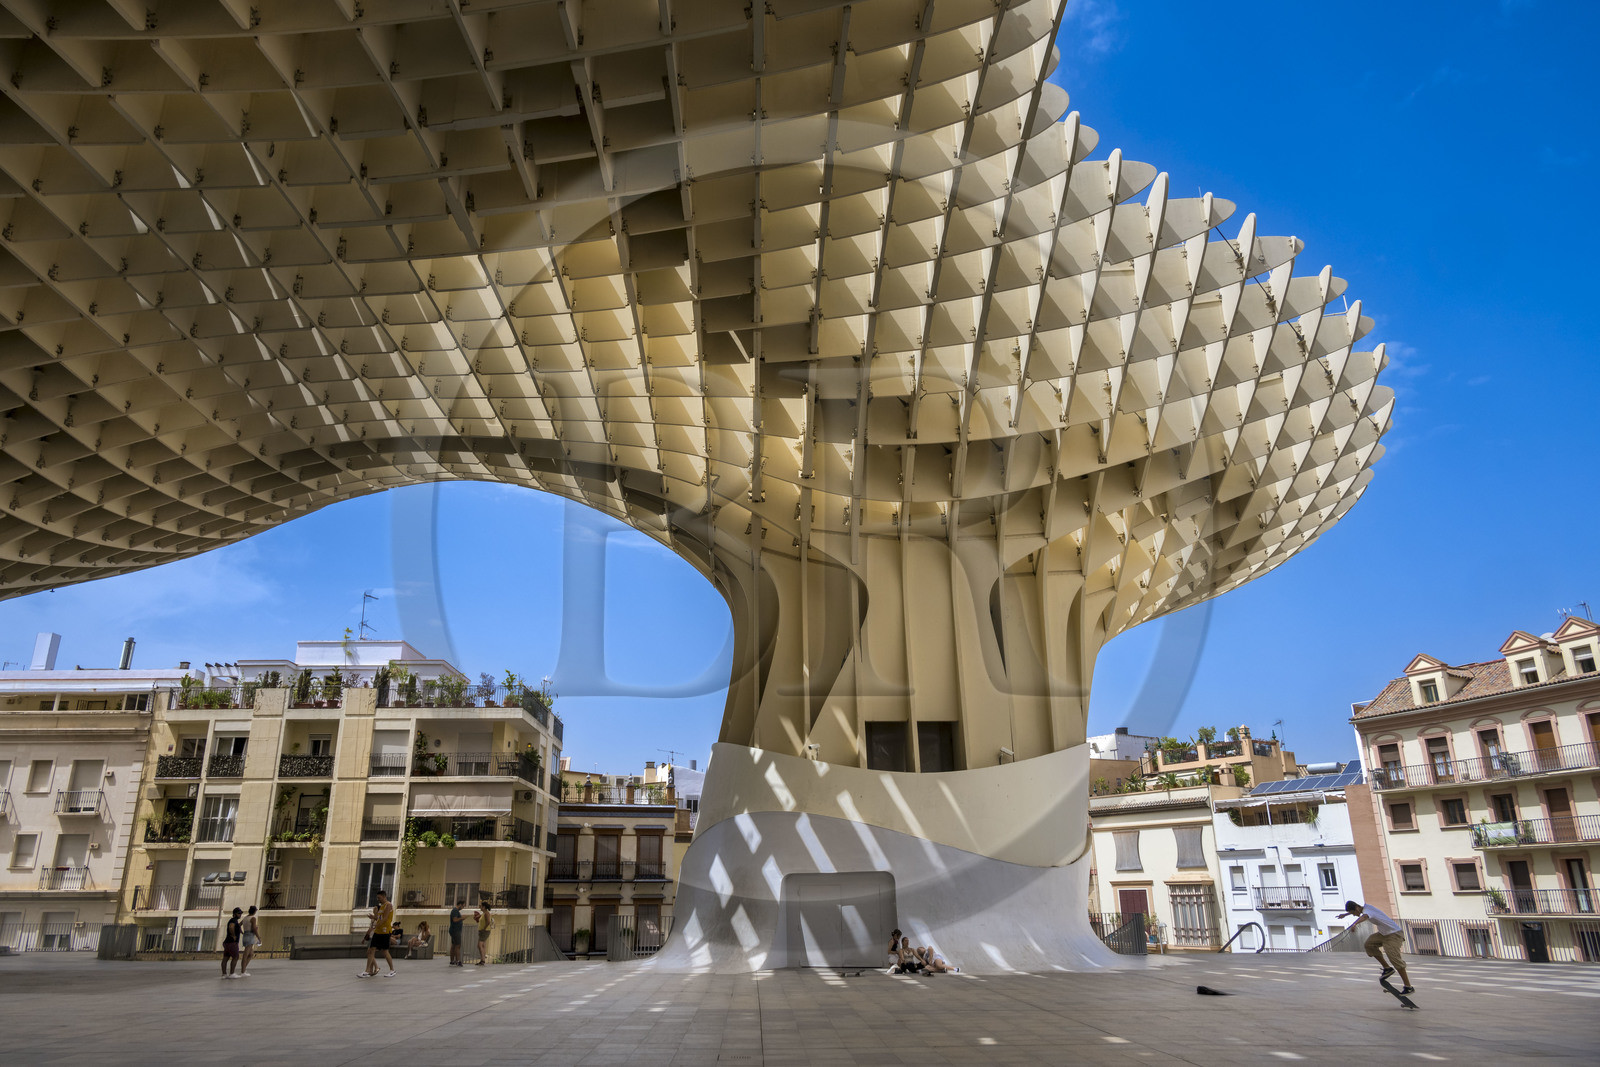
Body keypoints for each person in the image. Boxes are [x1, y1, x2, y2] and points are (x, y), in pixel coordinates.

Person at [1339, 899, 1412, 994]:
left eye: (1353, 913)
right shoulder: (1366, 907)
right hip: (1383, 934)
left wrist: (1355, 924)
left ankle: (1408, 987)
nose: (1353, 915)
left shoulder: (1367, 911)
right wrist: (1345, 915)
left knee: (1394, 958)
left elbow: (1365, 916)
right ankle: (1387, 968)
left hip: (1394, 934)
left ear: (1356, 908)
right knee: (1369, 944)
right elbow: (1360, 911)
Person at [360, 888, 397, 978]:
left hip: (385, 931)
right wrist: (374, 917)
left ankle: (392, 970)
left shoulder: (388, 905)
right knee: (371, 950)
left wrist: (376, 925)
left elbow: (385, 919)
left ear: (384, 897)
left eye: (379, 898)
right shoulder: (382, 906)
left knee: (385, 951)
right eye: (377, 898)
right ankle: (367, 971)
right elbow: (380, 918)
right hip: (378, 931)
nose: (378, 899)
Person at [221, 907, 242, 979]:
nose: (240, 915)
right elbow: (231, 927)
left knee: (226, 958)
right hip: (232, 942)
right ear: (234, 914)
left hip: (227, 942)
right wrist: (233, 935)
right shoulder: (233, 920)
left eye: (241, 913)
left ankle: (224, 974)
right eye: (239, 913)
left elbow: (236, 926)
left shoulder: (234, 921)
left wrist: (241, 925)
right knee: (235, 957)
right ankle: (232, 973)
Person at [239, 905, 260, 976]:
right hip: (250, 935)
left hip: (245, 935)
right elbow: (254, 928)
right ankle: (243, 971)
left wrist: (241, 931)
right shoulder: (253, 918)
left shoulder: (245, 918)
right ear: (254, 911)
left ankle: (244, 968)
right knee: (246, 954)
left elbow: (239, 925)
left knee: (251, 954)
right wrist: (258, 937)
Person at [474, 900, 494, 965]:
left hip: (485, 931)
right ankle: (482, 959)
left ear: (484, 907)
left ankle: (482, 959)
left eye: (481, 906)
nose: (480, 907)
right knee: (483, 945)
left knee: (479, 945)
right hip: (482, 931)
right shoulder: (483, 913)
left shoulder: (486, 913)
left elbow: (488, 921)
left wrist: (484, 928)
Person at [448, 900, 465, 967]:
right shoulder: (455, 911)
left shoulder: (456, 911)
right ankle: (458, 961)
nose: (463, 908)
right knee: (458, 945)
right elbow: (455, 920)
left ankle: (452, 961)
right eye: (463, 906)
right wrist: (462, 918)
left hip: (454, 930)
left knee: (454, 945)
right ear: (460, 904)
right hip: (455, 930)